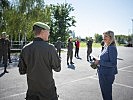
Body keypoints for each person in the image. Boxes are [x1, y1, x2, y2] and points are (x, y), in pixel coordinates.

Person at [18, 22, 61, 100]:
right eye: (48, 32)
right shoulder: (50, 48)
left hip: (32, 94)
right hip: (48, 94)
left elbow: (22, 71)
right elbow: (57, 68)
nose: (49, 34)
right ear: (43, 31)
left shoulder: (25, 49)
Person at [94, 31, 118, 100]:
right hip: (102, 74)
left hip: (107, 75)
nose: (104, 38)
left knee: (107, 95)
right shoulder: (106, 47)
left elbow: (113, 63)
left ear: (111, 38)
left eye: (106, 36)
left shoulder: (112, 48)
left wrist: (99, 62)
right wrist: (97, 60)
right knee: (105, 94)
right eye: (103, 36)